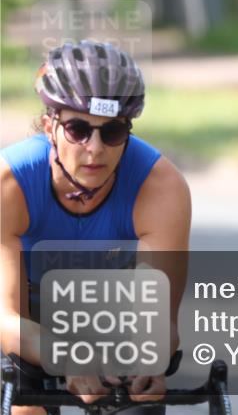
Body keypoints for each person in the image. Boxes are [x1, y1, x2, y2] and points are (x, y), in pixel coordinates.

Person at [1, 41, 192, 414]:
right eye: (78, 129)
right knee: (22, 398)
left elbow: (159, 320)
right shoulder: (10, 184)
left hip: (112, 311)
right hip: (28, 319)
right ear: (49, 127)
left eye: (113, 131)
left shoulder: (161, 188)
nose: (95, 148)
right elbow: (6, 318)